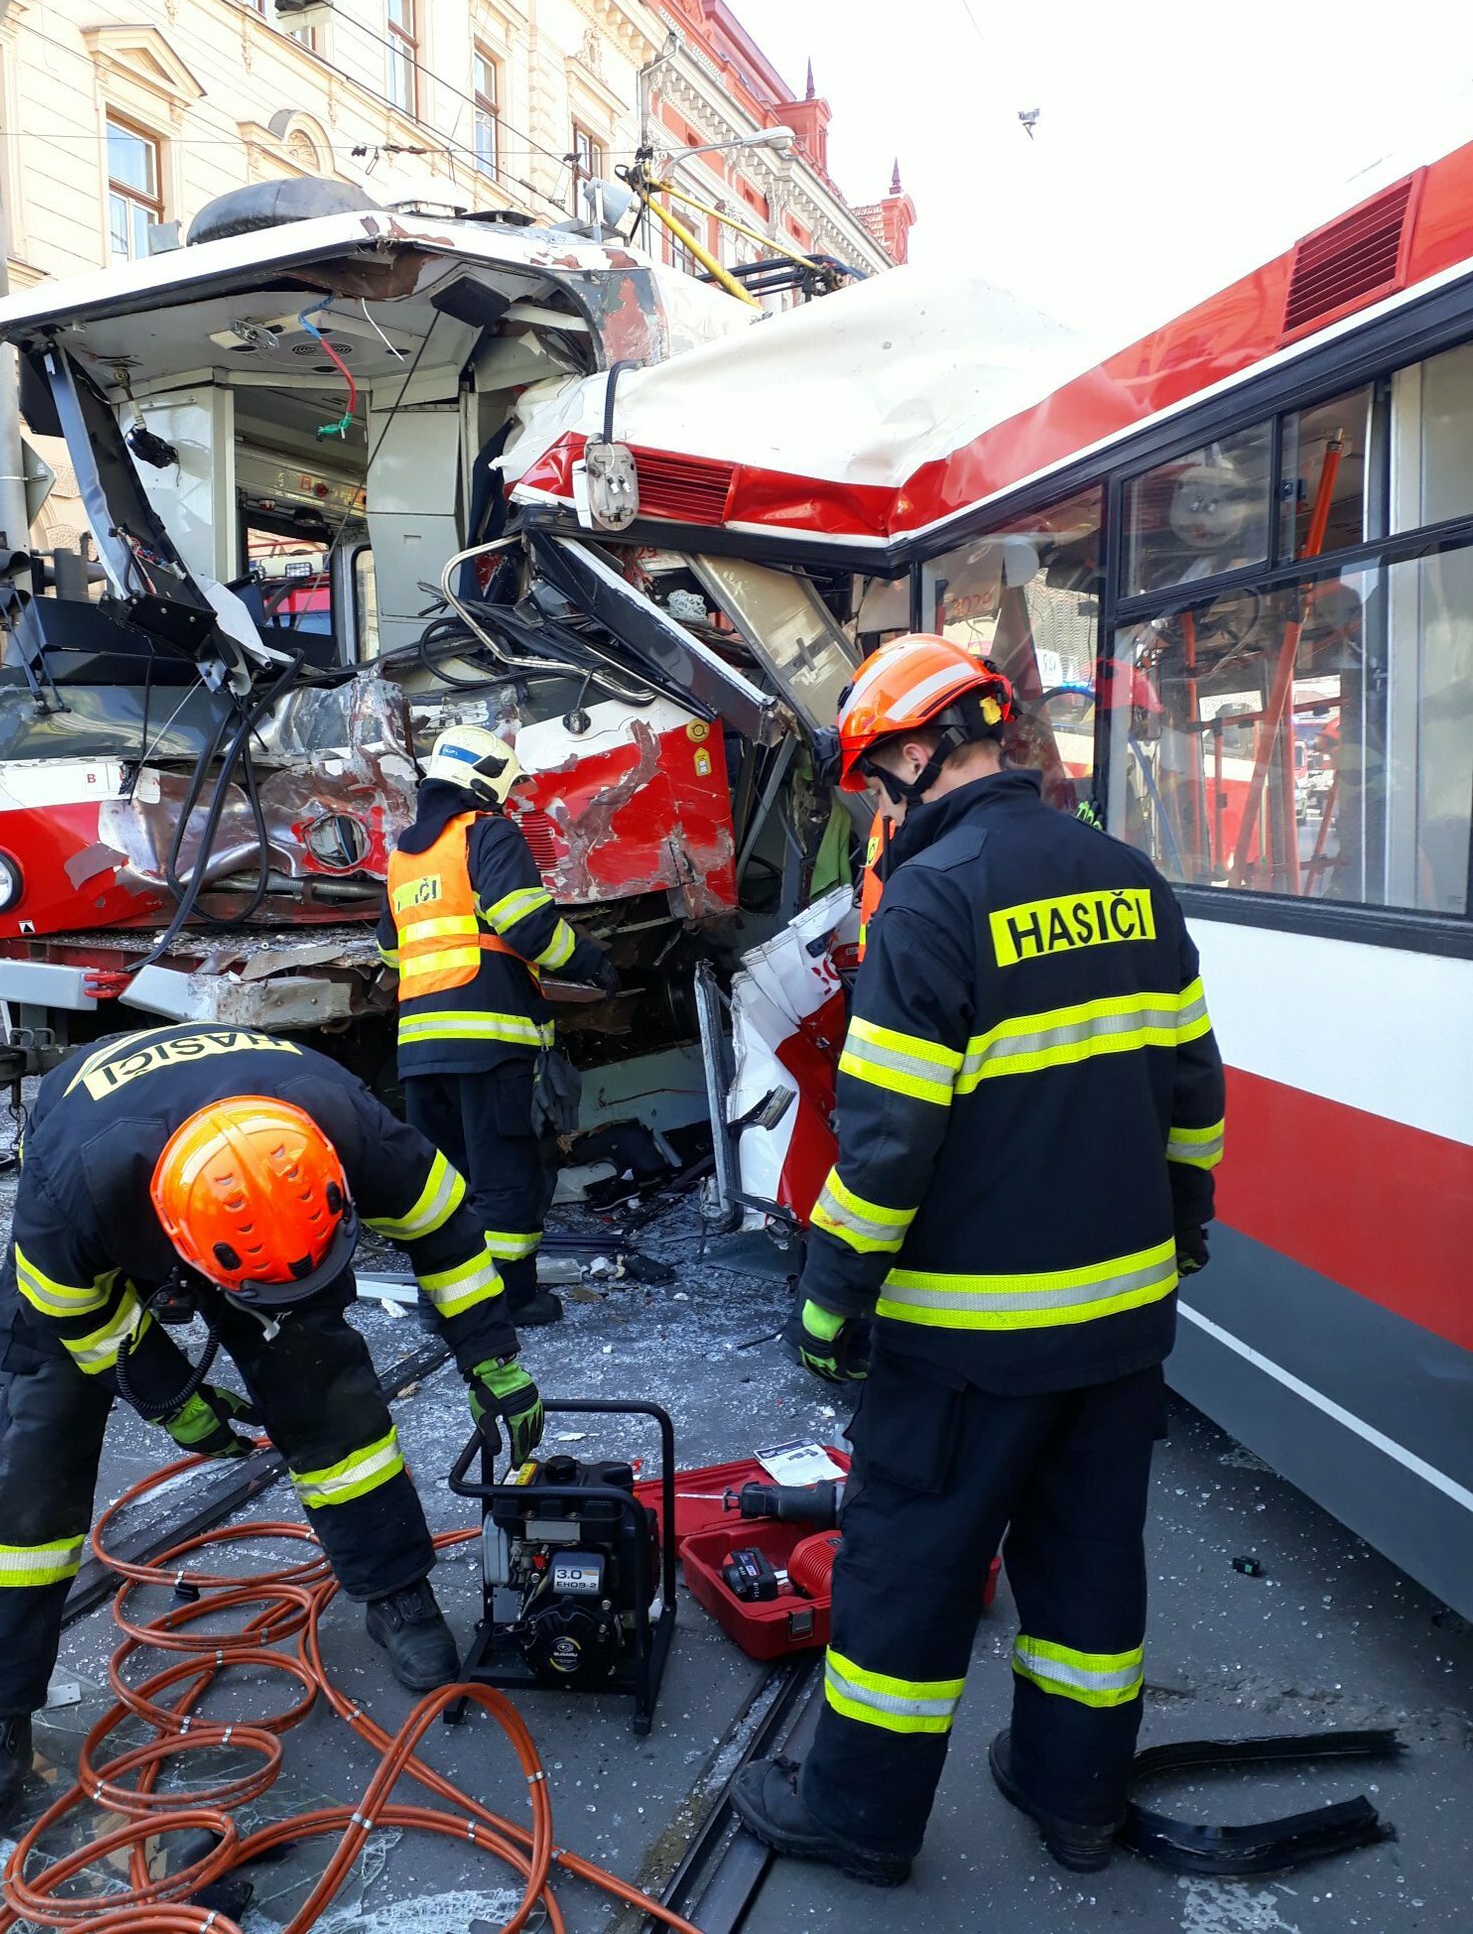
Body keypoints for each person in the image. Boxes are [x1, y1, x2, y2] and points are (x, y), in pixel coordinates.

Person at [731, 634, 1225, 1887]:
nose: (873, 815)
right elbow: (1193, 1091)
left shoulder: (937, 900)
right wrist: (1186, 1223)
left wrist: (830, 1296)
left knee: (905, 1572)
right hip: (1123, 1325)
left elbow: (888, 1141)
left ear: (915, 753)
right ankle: (1076, 1797)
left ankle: (859, 1814)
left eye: (872, 787)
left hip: (969, 1342)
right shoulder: (1130, 878)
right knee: (1088, 1563)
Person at [0, 1027, 544, 1846]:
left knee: (326, 1389)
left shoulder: (351, 1128)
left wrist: (491, 1355)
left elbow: (444, 1231)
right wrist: (170, 1398)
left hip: (246, 1171)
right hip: (105, 1165)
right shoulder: (73, 1190)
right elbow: (80, 1319)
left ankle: (396, 1590)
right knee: (36, 1455)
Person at [377, 726, 618, 1326]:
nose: (504, 804)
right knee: (507, 1176)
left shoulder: (405, 858)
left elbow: (388, 952)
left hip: (421, 1052)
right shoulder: (489, 834)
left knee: (445, 1188)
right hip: (491, 1044)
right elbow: (527, 925)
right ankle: (512, 1300)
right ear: (483, 781)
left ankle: (450, 1306)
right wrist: (594, 963)